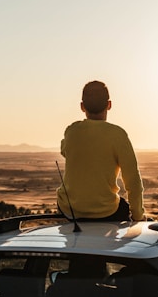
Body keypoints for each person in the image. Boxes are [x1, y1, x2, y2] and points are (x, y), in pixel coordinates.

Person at [56, 81, 145, 222]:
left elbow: (64, 150)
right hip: (106, 212)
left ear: (82, 106)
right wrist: (138, 216)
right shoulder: (118, 135)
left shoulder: (72, 131)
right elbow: (133, 180)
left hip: (69, 210)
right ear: (109, 105)